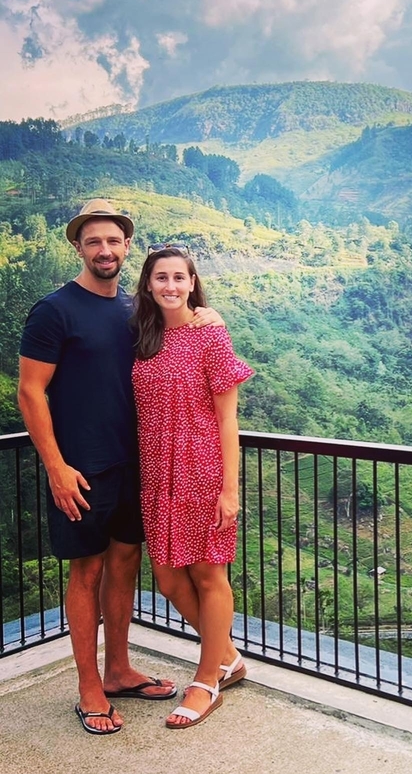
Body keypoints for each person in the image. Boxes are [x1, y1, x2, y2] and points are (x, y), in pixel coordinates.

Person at [16, 199, 228, 736]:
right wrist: (56, 467)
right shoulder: (54, 310)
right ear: (78, 247)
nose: (104, 250)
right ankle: (89, 687)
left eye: (113, 241)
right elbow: (30, 392)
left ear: (126, 247)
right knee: (85, 572)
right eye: (93, 242)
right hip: (81, 471)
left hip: (138, 467)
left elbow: (186, 329)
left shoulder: (136, 314)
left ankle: (118, 670)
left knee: (125, 565)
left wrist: (210, 314)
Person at [131, 245, 253, 729]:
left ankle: (207, 682)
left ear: (192, 283)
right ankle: (228, 657)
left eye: (179, 278)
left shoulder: (211, 334)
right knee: (166, 578)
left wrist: (230, 489)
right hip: (157, 474)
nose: (170, 286)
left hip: (201, 470)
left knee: (208, 576)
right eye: (161, 277)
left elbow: (228, 418)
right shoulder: (141, 336)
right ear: (148, 284)